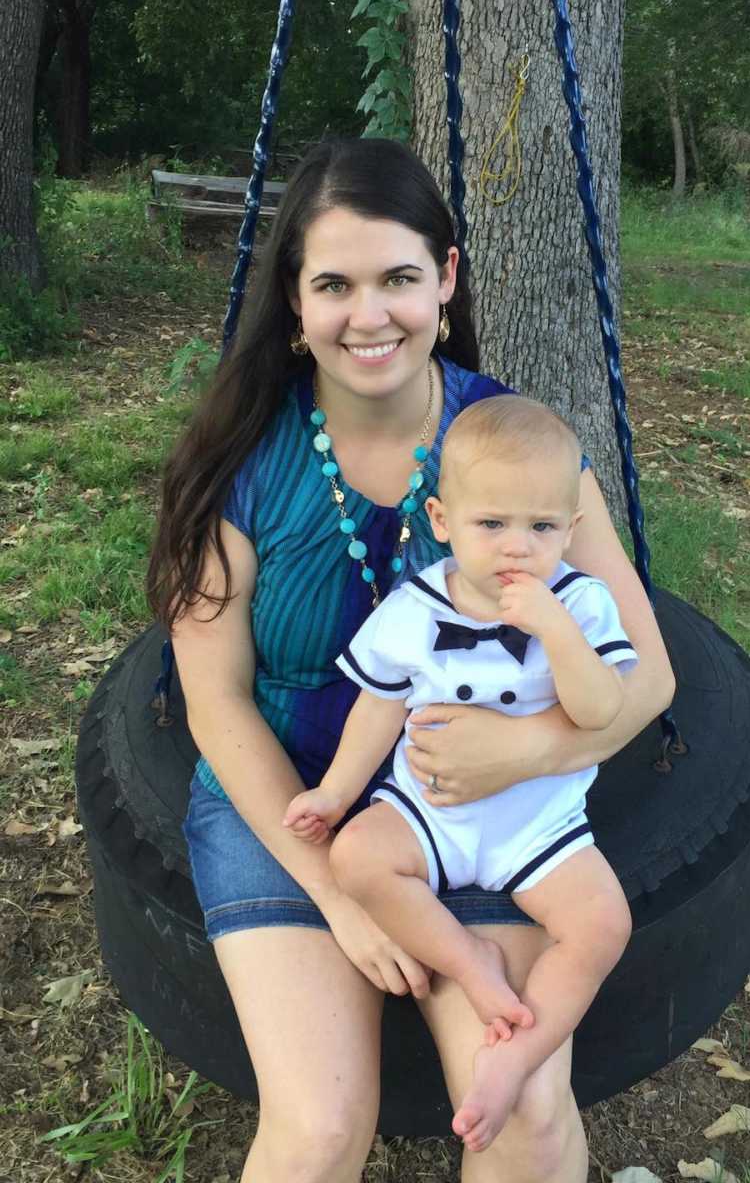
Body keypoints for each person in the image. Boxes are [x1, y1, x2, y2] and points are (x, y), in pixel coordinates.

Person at [147, 137, 675, 1183]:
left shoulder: (524, 455)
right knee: (319, 1131)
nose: (370, 314)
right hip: (295, 802)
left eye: (397, 277)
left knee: (523, 1108)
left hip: (483, 814)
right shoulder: (238, 471)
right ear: (295, 308)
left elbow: (649, 677)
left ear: (446, 277)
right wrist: (337, 892)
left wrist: (521, 754)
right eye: (333, 284)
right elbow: (215, 705)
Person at [283, 394, 639, 1152]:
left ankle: (516, 1055)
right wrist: (338, 792)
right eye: (492, 525)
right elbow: (377, 709)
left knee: (604, 923)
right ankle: (468, 961)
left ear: (571, 530)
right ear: (443, 522)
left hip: (537, 822)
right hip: (431, 810)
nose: (518, 547)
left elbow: (603, 708)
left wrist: (555, 630)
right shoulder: (416, 603)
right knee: (355, 857)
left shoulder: (582, 601)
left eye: (542, 527)